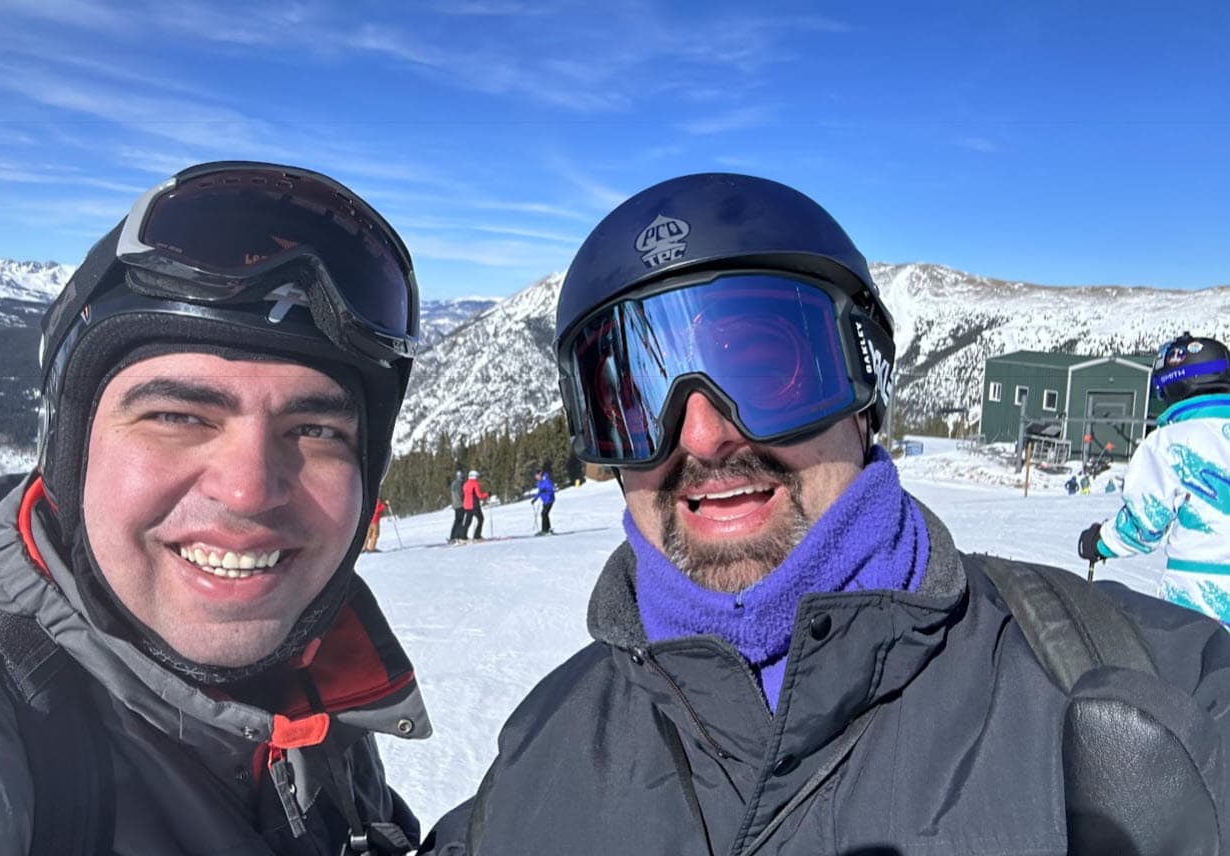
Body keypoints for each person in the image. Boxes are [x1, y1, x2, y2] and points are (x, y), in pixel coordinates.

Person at [420, 173, 1230, 854]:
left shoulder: (1151, 687)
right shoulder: (536, 760)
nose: (700, 436)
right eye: (631, 403)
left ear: (863, 387)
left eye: (768, 371)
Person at [0, 161, 432, 854]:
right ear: (68, 450)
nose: (247, 491)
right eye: (178, 417)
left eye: (316, 430)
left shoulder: (313, 700)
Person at [1079, 332, 1230, 625]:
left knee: (1196, 668)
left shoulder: (1171, 442)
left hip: (1199, 597)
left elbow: (1144, 527)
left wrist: (1100, 541)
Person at [459, 469, 490, 541]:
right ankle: (477, 536)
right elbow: (479, 496)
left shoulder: (465, 484)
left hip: (466, 505)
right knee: (481, 519)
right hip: (474, 505)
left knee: (468, 521)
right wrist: (487, 494)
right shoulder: (475, 483)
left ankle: (463, 537)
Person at [530, 467, 555, 534]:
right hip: (545, 501)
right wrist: (535, 499)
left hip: (549, 500)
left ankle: (545, 530)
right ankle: (547, 529)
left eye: (537, 476)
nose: (536, 477)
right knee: (545, 514)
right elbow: (540, 492)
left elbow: (551, 488)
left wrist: (546, 491)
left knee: (544, 514)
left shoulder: (546, 480)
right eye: (535, 476)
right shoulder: (539, 483)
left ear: (540, 474)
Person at [448, 469, 466, 543]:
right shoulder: (459, 484)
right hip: (460, 504)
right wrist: (464, 501)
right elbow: (460, 494)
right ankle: (457, 537)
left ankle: (453, 536)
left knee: (457, 521)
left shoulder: (454, 483)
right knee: (460, 521)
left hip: (455, 504)